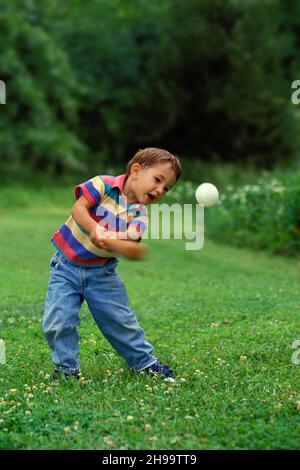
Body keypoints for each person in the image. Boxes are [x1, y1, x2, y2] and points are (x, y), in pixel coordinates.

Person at [42, 147, 181, 381]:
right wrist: (96, 229)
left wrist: (113, 242)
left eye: (166, 188)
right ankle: (66, 371)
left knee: (120, 321)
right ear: (136, 170)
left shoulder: (139, 215)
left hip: (101, 274)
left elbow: (131, 247)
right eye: (157, 180)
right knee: (58, 322)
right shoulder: (103, 184)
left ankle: (144, 364)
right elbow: (78, 208)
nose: (159, 190)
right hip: (65, 268)